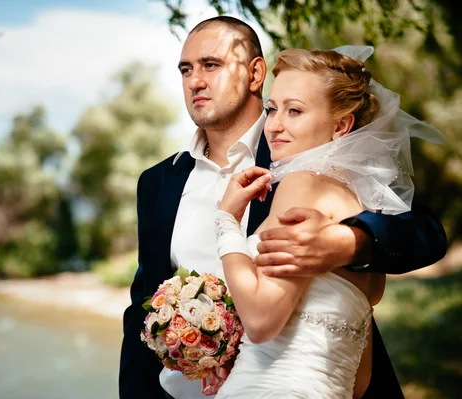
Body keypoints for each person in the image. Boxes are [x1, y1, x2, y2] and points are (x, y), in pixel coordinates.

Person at [119, 16, 447, 399]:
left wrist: (349, 242)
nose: (196, 81)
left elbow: (424, 231)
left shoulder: (308, 156)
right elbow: (140, 310)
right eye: (185, 69)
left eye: (211, 65)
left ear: (256, 73)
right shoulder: (157, 182)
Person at [213, 46, 444, 398]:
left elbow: (260, 322)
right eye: (272, 109)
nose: (274, 125)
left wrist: (226, 221)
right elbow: (360, 378)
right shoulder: (364, 205)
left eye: (295, 111)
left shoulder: (302, 183)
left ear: (340, 126)